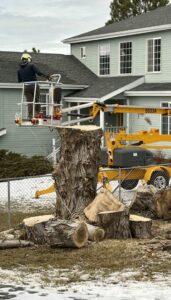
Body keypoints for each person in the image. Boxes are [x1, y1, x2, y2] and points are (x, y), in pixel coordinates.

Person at [17, 53, 50, 118]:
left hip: (26, 87)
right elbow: (38, 72)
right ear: (28, 59)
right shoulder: (31, 65)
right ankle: (38, 113)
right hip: (34, 86)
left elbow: (20, 80)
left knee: (30, 102)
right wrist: (47, 77)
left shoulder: (19, 69)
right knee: (36, 100)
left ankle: (30, 116)